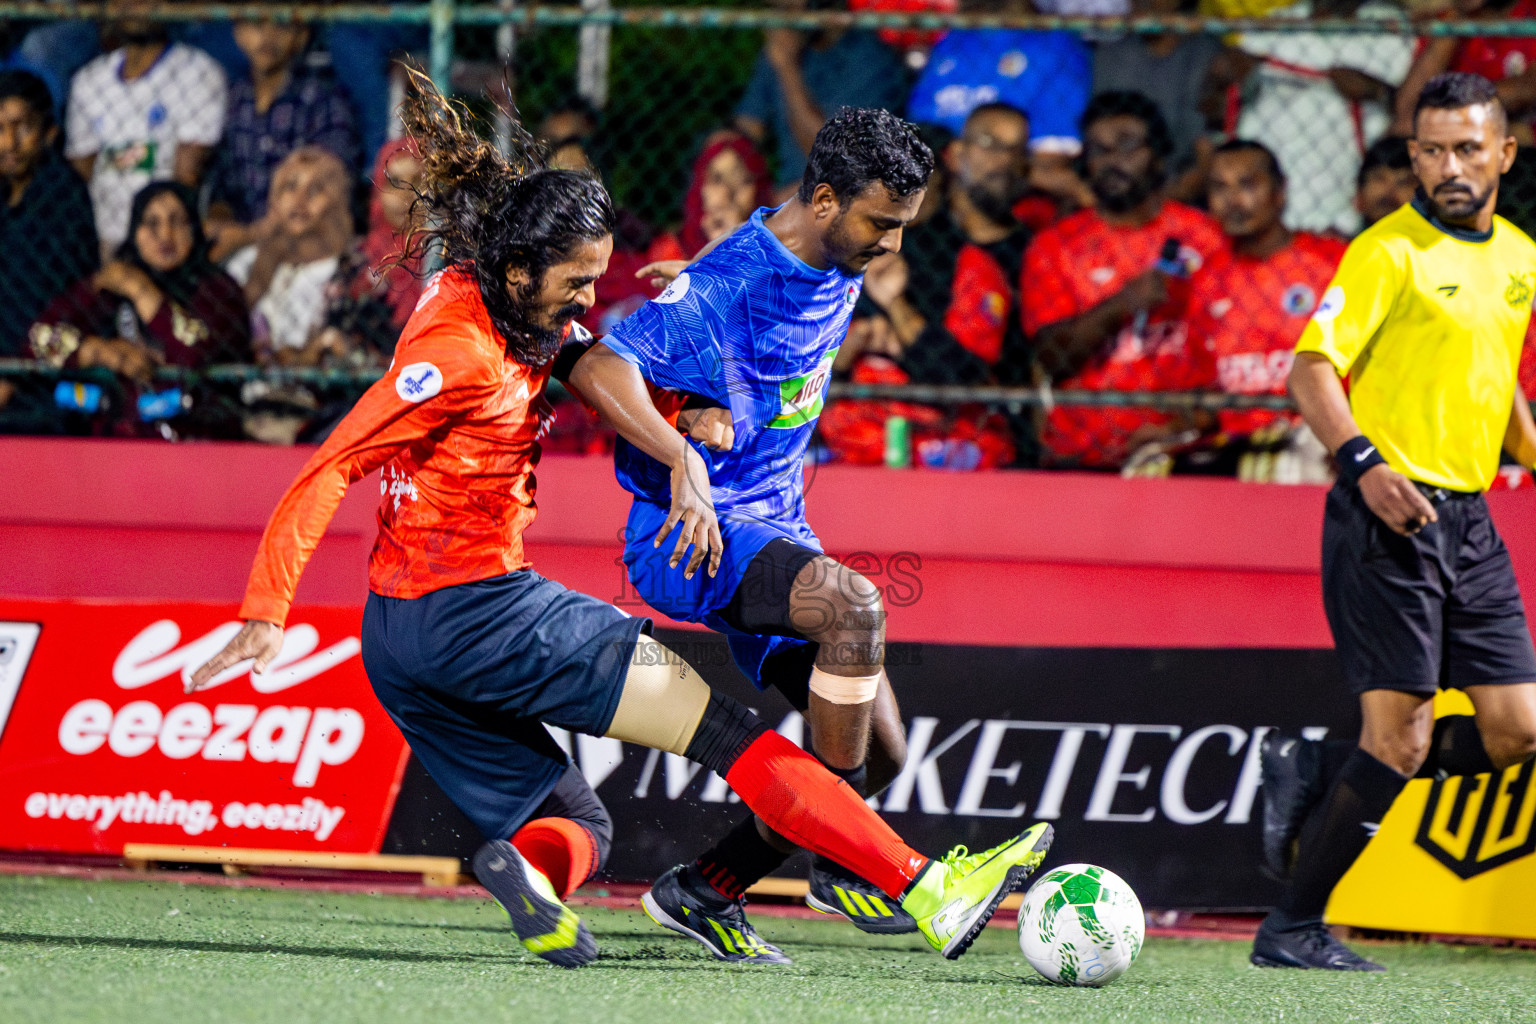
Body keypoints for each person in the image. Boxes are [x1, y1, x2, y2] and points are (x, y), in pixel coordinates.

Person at [186, 71, 1054, 971]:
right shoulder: (459, 355)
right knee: (739, 728)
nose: (590, 303)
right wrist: (264, 614)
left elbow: (593, 348)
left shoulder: (485, 296)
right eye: (578, 285)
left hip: (398, 639)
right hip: (486, 608)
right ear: (520, 273)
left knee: (587, 823)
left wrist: (687, 371)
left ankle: (559, 877)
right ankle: (912, 880)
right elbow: (336, 461)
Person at [562, 108, 1032, 964]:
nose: (892, 246)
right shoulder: (731, 282)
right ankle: (846, 856)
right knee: (855, 610)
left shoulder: (814, 246)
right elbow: (599, 363)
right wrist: (678, 448)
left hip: (779, 527)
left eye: (902, 225)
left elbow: (740, 282)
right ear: (823, 200)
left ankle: (705, 889)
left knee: (877, 750)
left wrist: (693, 311)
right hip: (688, 536)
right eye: (881, 224)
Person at [1253, 72, 1536, 971]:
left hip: (1472, 519)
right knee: (1402, 738)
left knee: (1518, 731)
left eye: (1468, 147)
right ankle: (1292, 928)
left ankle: (1312, 764)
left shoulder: (1521, 255)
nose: (1451, 165)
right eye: (1433, 149)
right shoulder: (1388, 252)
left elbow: (1498, 384)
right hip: (1390, 514)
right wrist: (1363, 462)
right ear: (1413, 156)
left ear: (1503, 154)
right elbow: (1309, 370)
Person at [1021, 91, 1226, 471]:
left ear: (1159, 154)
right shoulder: (1056, 246)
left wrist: (1189, 423)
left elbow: (1232, 348)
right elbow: (1052, 358)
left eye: (1128, 146)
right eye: (1099, 150)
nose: (1112, 162)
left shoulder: (1204, 237)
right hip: (1085, 452)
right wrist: (1122, 305)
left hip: (1181, 447)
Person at [825, 102, 1032, 466]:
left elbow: (958, 377)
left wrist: (896, 307)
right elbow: (796, 373)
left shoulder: (970, 263)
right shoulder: (841, 256)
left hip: (948, 440)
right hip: (855, 435)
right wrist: (851, 345)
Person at [28, 181, 251, 437]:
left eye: (177, 221)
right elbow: (38, 339)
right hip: (115, 443)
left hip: (198, 440)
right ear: (134, 231)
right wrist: (97, 351)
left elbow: (193, 354)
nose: (165, 235)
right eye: (152, 223)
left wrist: (142, 292)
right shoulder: (113, 286)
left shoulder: (219, 290)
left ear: (194, 229)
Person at [1186, 140, 1344, 475]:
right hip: (1234, 441)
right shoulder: (1206, 280)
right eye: (1219, 188)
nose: (1233, 201)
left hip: (1315, 436)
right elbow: (1201, 383)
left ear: (1279, 192)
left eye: (1247, 185)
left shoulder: (1331, 263)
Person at [1216, 0, 1412, 236]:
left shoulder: (1389, 29)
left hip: (1341, 209)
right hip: (1262, 205)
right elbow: (1213, 102)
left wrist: (1377, 91)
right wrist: (1228, 74)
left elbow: (1411, 110)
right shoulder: (1275, 25)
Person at [64, 0, 227, 256]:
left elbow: (186, 178)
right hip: (101, 237)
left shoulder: (198, 72)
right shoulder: (88, 80)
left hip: (164, 240)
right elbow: (81, 169)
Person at [907, 0, 1092, 211]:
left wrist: (981, 164)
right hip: (940, 194)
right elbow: (921, 130)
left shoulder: (1054, 45)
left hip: (1014, 200)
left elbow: (1051, 163)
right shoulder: (954, 38)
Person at [206, 15, 361, 262]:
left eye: (281, 23)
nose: (268, 36)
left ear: (300, 36)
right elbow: (225, 184)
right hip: (243, 242)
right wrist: (219, 219)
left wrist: (247, 235)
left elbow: (326, 195)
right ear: (238, 33)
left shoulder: (322, 99)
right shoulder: (236, 99)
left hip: (306, 245)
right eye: (257, 23)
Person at [734, 0, 906, 197]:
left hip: (845, 200)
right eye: (774, 11)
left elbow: (832, 159)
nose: (780, 22)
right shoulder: (783, 48)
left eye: (789, 10)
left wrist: (788, 69)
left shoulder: (871, 61)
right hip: (787, 200)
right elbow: (746, 129)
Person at [225, 146, 363, 366]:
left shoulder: (351, 269)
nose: (300, 200)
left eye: (315, 190)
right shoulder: (247, 261)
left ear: (336, 201)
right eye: (290, 187)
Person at [0, 69, 96, 357]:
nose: (9, 143)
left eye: (23, 128)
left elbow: (36, 296)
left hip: (44, 354)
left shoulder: (61, 193)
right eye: (0, 129)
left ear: (49, 133)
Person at [1091, 0, 1223, 203]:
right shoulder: (1111, 54)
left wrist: (1159, 205)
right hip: (1115, 188)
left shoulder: (1205, 54)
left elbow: (1204, 156)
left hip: (1179, 193)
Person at [1353, 135, 1416, 232]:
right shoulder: (1337, 246)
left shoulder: (1440, 245)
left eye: (1403, 182)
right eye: (1379, 179)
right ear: (1359, 194)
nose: (1390, 190)